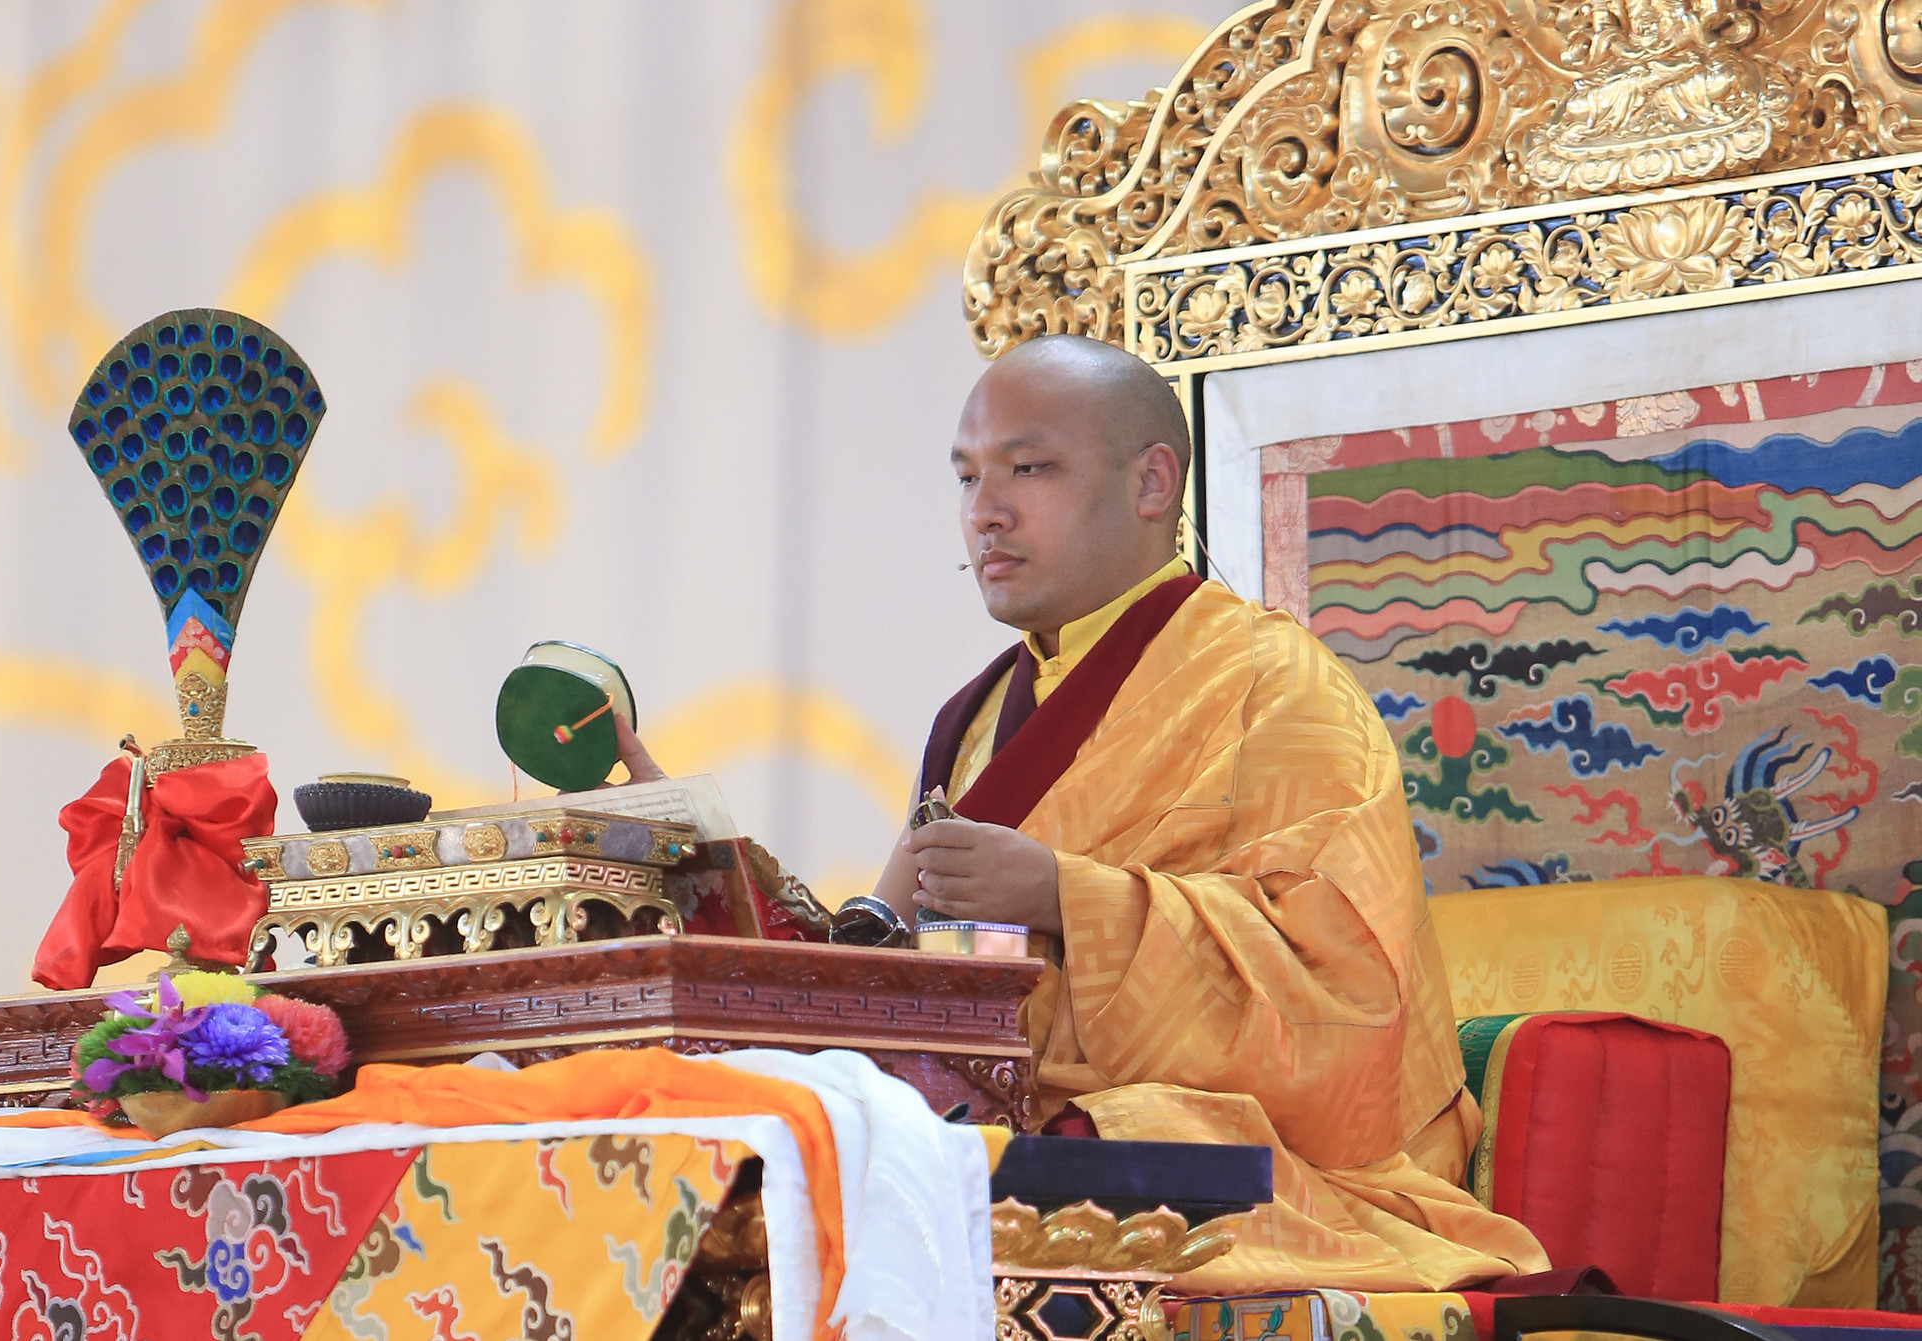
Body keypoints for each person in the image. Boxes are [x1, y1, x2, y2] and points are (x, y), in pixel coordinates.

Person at [621, 334, 1547, 1291]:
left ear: (1153, 483)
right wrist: (698, 859)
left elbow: (1348, 1008)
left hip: (1256, 1159)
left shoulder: (1278, 691)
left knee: (1040, 1159)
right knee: (749, 1143)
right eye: (968, 476)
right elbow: (889, 964)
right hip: (990, 1115)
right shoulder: (975, 721)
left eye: (1029, 468)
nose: (986, 512)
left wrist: (1071, 898)